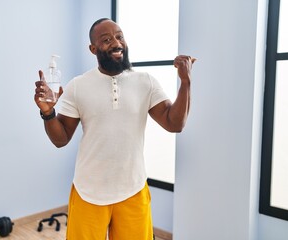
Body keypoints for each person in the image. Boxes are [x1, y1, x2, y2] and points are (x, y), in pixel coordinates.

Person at [34, 18, 196, 240]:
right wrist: (48, 113)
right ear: (93, 49)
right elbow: (60, 139)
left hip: (133, 190)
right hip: (88, 192)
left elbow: (174, 123)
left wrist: (185, 83)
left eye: (119, 36)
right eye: (106, 39)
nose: (116, 43)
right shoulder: (78, 86)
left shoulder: (145, 81)